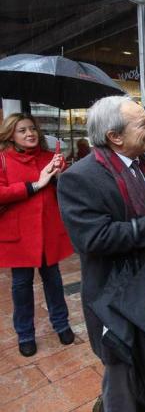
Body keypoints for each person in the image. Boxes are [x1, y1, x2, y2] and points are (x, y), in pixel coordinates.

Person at [57, 96, 145, 412]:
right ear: (114, 137)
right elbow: (93, 239)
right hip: (117, 301)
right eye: (143, 123)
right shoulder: (79, 178)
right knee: (123, 385)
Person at [0, 113, 74, 357]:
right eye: (22, 130)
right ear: (11, 134)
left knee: (54, 281)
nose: (30, 134)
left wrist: (59, 175)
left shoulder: (47, 158)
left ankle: (61, 324)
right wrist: (34, 185)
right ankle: (25, 334)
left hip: (47, 231)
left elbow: (61, 193)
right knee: (21, 286)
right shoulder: (2, 159)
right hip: (20, 236)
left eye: (32, 129)